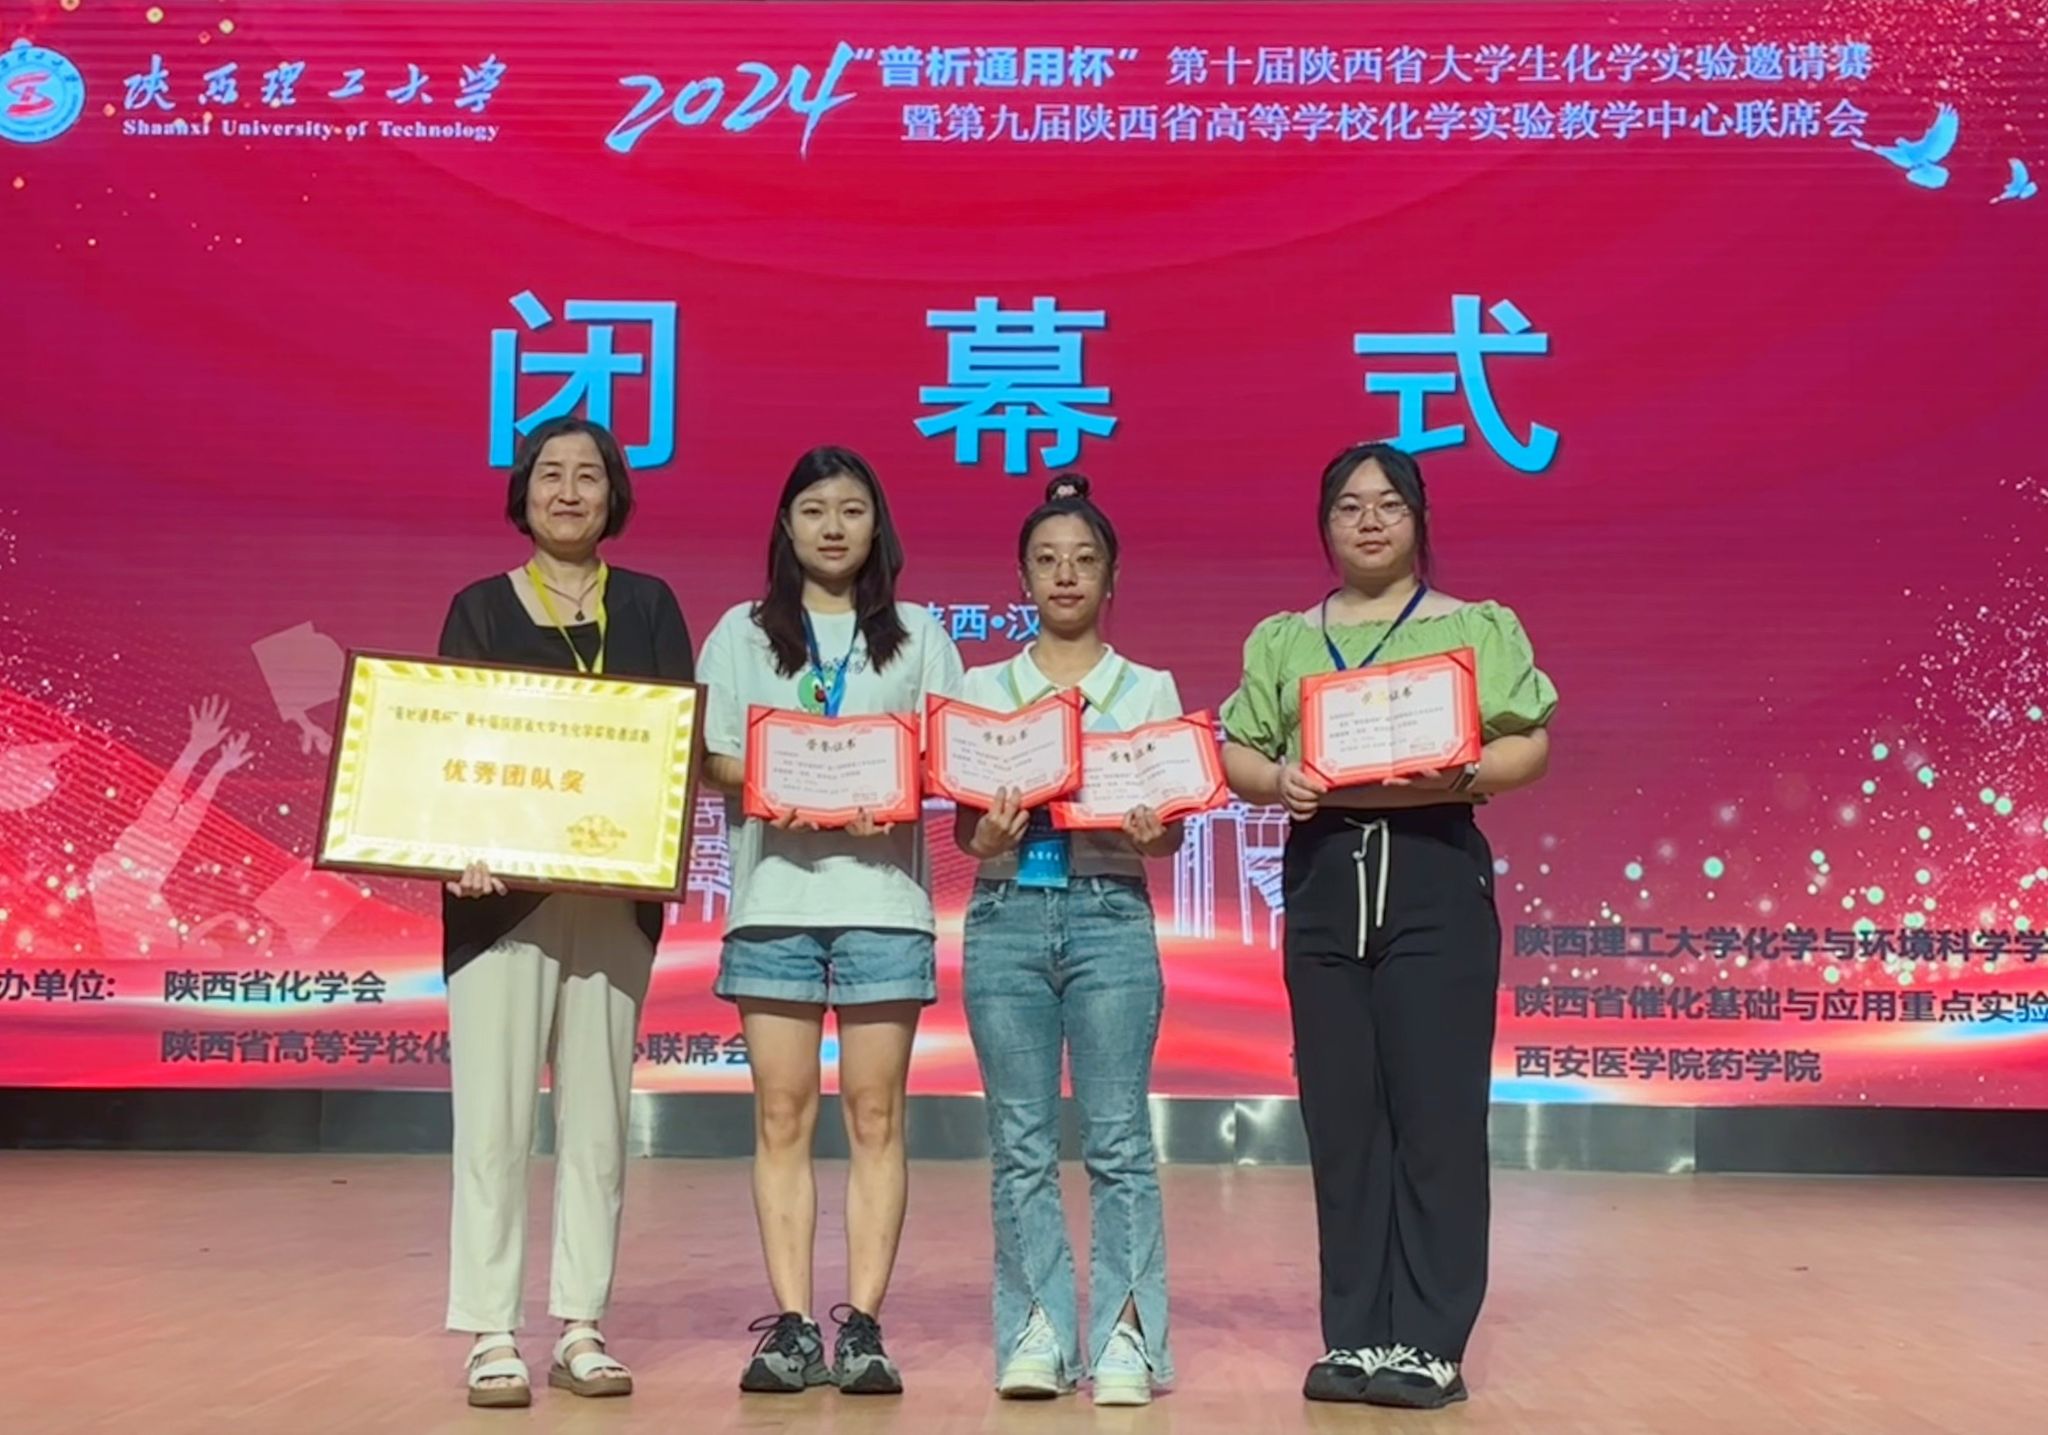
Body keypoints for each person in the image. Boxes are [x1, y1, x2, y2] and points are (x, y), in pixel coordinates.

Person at [1219, 442, 1557, 1411]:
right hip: (1326, 876)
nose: (1368, 521)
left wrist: (1468, 769)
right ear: (1323, 524)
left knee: (1435, 1117)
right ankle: (1356, 1334)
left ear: (1418, 519)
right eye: (1348, 506)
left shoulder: (1472, 626)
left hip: (1432, 873)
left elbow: (1529, 741)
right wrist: (1275, 778)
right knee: (1343, 1118)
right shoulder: (1285, 639)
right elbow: (1240, 748)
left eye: (1389, 504)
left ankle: (1428, 1339)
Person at [437, 416, 694, 1409]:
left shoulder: (650, 604)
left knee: (595, 1125)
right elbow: (449, 747)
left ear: (614, 494)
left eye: (590, 474)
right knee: (494, 1122)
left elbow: (675, 745)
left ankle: (581, 1325)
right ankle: (491, 1330)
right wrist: (456, 844)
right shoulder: (478, 607)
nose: (570, 490)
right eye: (551, 473)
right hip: (499, 904)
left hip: (613, 901)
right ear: (524, 492)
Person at [696, 445, 964, 1396]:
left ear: (876, 525)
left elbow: (951, 757)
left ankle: (865, 1327)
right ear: (786, 525)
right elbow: (713, 756)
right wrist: (789, 783)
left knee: (875, 1115)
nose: (834, 526)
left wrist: (887, 786)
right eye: (814, 509)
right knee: (781, 1114)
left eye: (852, 509)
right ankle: (794, 1324)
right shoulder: (740, 633)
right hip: (775, 905)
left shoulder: (920, 635)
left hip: (883, 904)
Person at [954, 475, 1181, 1406]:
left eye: (1085, 560)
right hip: (1007, 912)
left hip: (1110, 915)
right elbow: (965, 832)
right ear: (1022, 576)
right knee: (1020, 1142)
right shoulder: (981, 689)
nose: (1066, 575)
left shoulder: (1149, 688)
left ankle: (1127, 1334)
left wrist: (1151, 832)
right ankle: (1037, 1330)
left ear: (1111, 576)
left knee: (1119, 1138)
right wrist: (988, 835)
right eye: (1047, 560)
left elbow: (1169, 834)